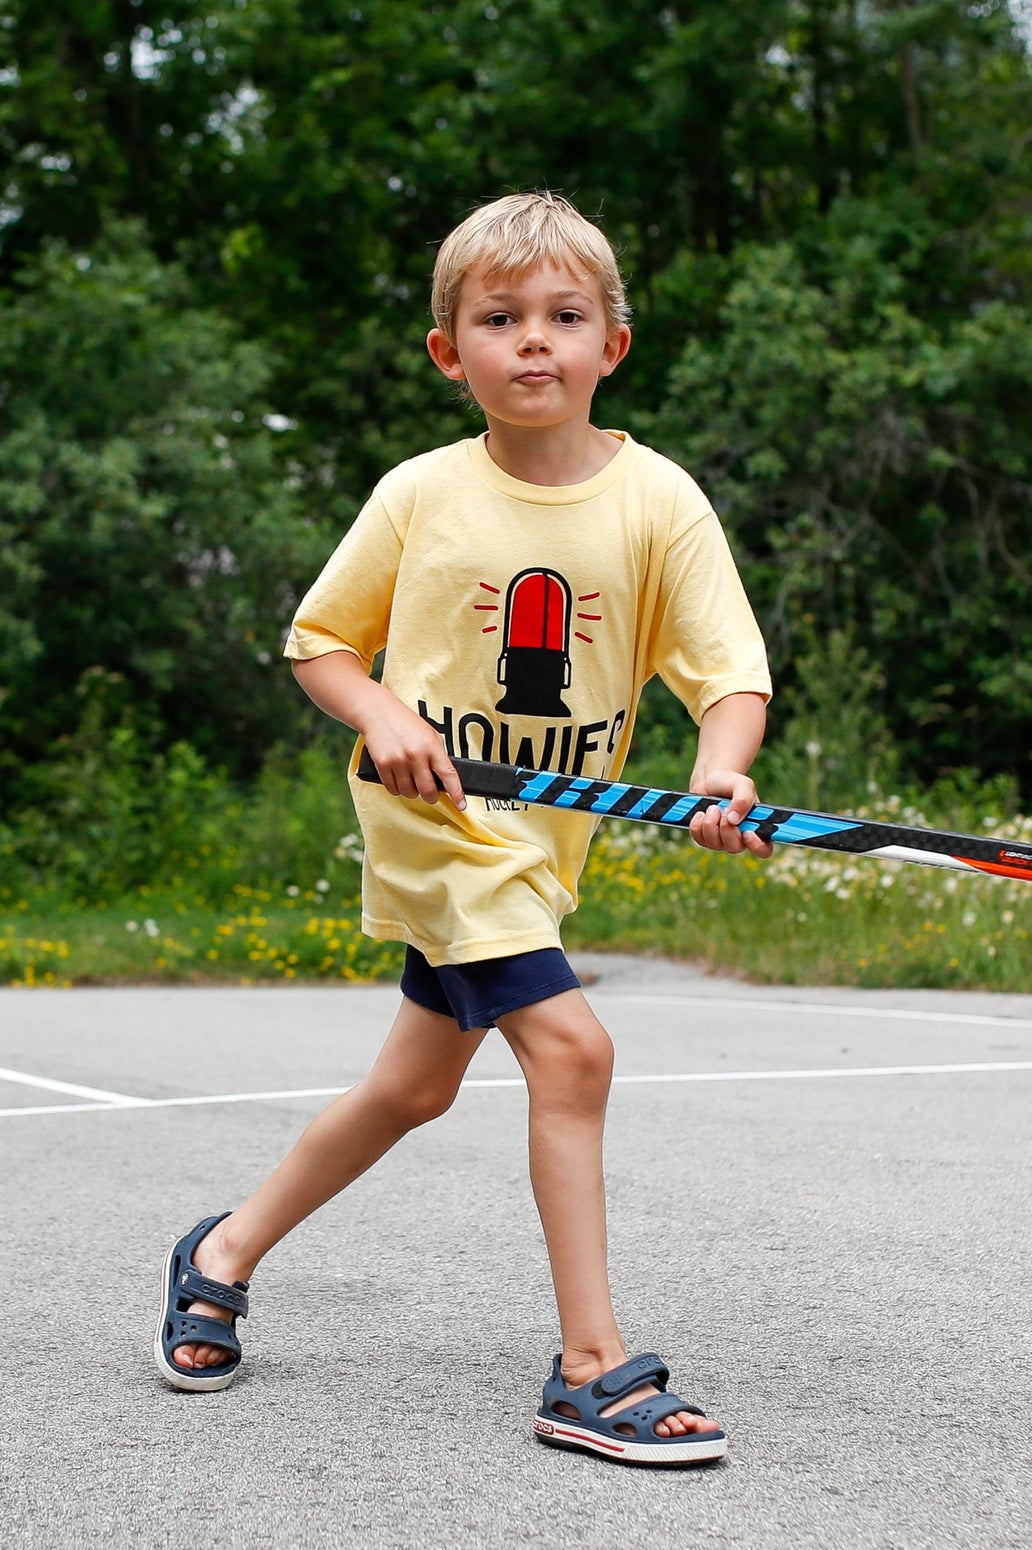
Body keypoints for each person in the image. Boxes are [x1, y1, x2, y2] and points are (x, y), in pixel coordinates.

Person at [152, 192, 772, 1466]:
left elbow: (727, 672)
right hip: (436, 825)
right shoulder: (419, 494)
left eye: (563, 317)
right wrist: (379, 710)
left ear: (614, 343)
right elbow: (320, 643)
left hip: (544, 845)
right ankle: (591, 1371)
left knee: (414, 1086)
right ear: (452, 354)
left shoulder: (661, 503)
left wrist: (723, 777)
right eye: (500, 319)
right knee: (574, 1054)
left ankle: (220, 1250)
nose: (533, 342)